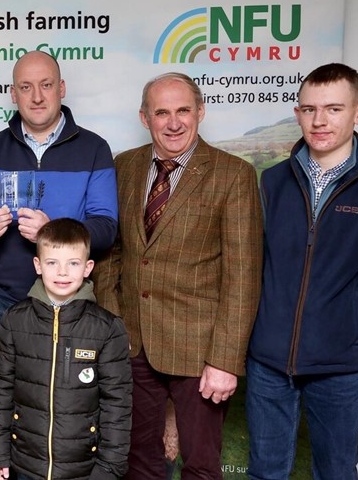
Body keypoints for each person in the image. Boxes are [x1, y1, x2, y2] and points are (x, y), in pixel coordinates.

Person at [95, 72, 263, 479]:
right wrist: (115, 322)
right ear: (144, 117)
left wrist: (224, 360)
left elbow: (243, 276)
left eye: (183, 110)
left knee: (202, 465)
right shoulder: (124, 166)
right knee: (138, 460)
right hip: (133, 346)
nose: (174, 122)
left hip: (200, 350)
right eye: (162, 112)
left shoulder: (233, 174)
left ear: (200, 112)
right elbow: (111, 253)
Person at [245, 63, 358, 480]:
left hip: (341, 370)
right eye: (309, 109)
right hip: (268, 364)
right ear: (297, 114)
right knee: (265, 473)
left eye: (333, 108)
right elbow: (256, 265)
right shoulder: (271, 182)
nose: (320, 120)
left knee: (335, 473)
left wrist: (351, 327)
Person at [0, 50, 118, 423]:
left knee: (64, 419)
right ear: (13, 94)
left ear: (61, 88)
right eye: (26, 87)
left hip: (68, 309)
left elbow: (106, 228)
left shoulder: (94, 149)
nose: (37, 96)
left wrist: (53, 231)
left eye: (46, 85)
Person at [0, 218, 131, 480]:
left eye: (73, 263)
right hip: (27, 462)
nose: (62, 272)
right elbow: (1, 389)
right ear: (38, 265)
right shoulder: (14, 320)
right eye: (52, 263)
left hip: (84, 468)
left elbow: (117, 404)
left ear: (88, 268)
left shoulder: (107, 328)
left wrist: (110, 467)